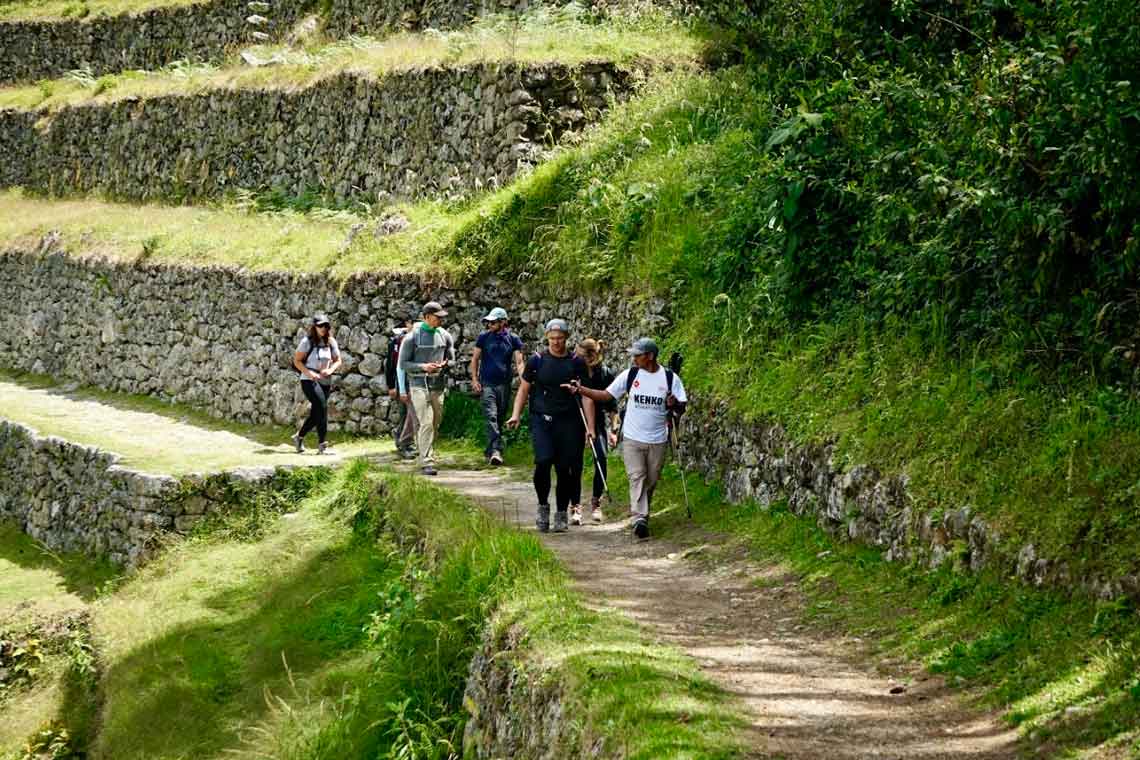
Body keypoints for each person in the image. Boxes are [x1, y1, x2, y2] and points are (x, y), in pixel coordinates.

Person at [565, 337, 687, 539]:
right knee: (637, 476)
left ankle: (643, 514)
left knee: (651, 478)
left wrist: (674, 404)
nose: (634, 359)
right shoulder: (630, 375)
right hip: (632, 437)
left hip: (658, 438)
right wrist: (581, 390)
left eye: (637, 355)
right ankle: (639, 517)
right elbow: (606, 395)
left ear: (650, 356)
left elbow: (681, 407)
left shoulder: (669, 378)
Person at [506, 319, 594, 533]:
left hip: (569, 421)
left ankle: (561, 512)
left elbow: (587, 396)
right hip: (542, 419)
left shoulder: (576, 363)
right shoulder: (537, 361)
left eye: (560, 338)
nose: (556, 342)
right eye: (552, 338)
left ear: (566, 338)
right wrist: (515, 414)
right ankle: (543, 506)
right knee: (543, 462)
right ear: (547, 338)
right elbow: (524, 390)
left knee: (565, 469)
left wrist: (590, 428)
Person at [397, 301, 456, 476]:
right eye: (437, 317)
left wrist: (445, 365)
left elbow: (452, 360)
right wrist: (424, 367)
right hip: (418, 386)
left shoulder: (445, 336)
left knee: (435, 422)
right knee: (426, 422)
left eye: (441, 317)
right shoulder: (411, 338)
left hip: (438, 386)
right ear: (427, 317)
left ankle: (427, 451)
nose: (440, 320)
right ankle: (427, 462)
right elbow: (403, 364)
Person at [470, 307, 525, 466]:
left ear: (503, 322)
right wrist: (474, 379)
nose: (490, 325)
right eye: (489, 322)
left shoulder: (513, 339)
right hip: (487, 384)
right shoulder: (483, 337)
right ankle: (496, 451)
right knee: (491, 416)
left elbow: (519, 362)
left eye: (493, 322)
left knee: (499, 418)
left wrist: (524, 381)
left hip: (504, 384)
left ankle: (490, 450)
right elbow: (475, 359)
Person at [573, 338, 618, 525]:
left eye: (579, 354)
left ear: (590, 356)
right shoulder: (573, 371)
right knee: (573, 464)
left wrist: (614, 430)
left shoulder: (605, 374)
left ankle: (596, 501)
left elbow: (613, 407)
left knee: (602, 458)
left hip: (597, 422)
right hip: (574, 421)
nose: (575, 356)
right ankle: (574, 505)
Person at [291, 314, 343, 455]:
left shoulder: (331, 341)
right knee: (323, 408)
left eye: (326, 325)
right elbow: (297, 361)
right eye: (320, 325)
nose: (323, 328)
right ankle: (322, 446)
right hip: (309, 380)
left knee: (316, 413)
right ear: (314, 326)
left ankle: (299, 437)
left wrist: (330, 369)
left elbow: (338, 360)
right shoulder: (306, 341)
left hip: (325, 380)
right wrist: (309, 373)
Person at [385, 318, 418, 460]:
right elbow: (391, 365)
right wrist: (392, 385)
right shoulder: (397, 342)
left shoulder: (418, 340)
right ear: (408, 324)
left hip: (413, 380)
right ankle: (404, 441)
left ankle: (402, 439)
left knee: (410, 413)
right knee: (405, 412)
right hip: (401, 381)